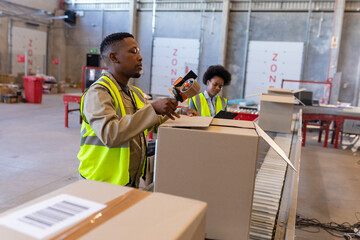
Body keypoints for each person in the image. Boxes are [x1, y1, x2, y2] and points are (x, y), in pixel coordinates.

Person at [78, 32, 187, 188]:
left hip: (128, 181)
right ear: (114, 57)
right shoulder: (98, 93)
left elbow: (149, 123)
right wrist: (152, 110)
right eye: (133, 51)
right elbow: (111, 135)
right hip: (101, 183)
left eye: (139, 52)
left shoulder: (134, 92)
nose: (140, 57)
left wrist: (181, 113)